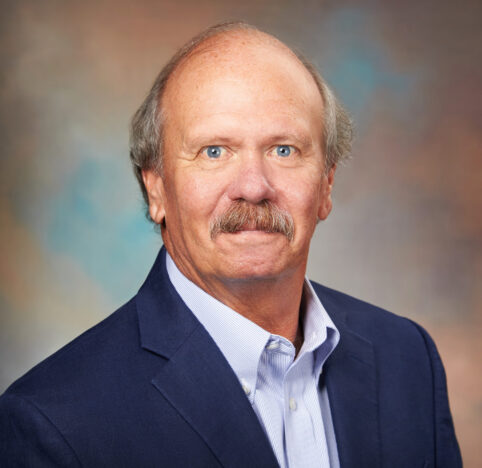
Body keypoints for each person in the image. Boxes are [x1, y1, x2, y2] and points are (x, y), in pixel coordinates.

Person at [0, 22, 462, 468]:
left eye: (284, 149)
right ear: (156, 188)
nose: (253, 187)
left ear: (326, 184)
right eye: (214, 151)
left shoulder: (407, 358)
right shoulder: (55, 423)